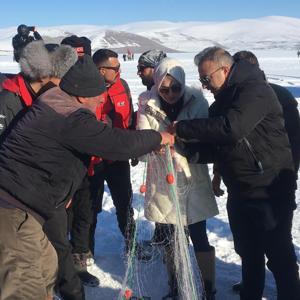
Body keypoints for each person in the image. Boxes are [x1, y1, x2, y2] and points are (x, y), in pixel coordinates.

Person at [0, 55, 174, 300]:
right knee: (24, 286)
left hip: (31, 207)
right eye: (98, 97)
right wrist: (159, 138)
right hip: (14, 214)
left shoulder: (53, 99)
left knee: (47, 269)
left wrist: (62, 194)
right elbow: (117, 144)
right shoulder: (70, 116)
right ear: (82, 96)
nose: (101, 100)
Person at [169, 46, 300, 300]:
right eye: (201, 80)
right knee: (248, 254)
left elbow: (232, 129)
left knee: (279, 256)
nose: (204, 85)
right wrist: (181, 147)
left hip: (269, 190)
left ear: (225, 70)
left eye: (206, 78)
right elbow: (217, 148)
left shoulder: (256, 90)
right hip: (240, 190)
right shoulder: (221, 104)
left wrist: (182, 128)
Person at [211, 50, 300, 294]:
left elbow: (293, 142)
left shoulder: (277, 96)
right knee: (249, 250)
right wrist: (218, 173)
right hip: (242, 185)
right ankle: (251, 286)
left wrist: (286, 179)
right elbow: (225, 143)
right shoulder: (228, 101)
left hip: (273, 187)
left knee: (279, 251)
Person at [137, 57, 219, 299]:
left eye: (175, 88)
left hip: (192, 177)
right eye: (164, 88)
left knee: (199, 234)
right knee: (171, 238)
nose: (170, 93)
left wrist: (182, 139)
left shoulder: (198, 102)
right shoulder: (146, 103)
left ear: (183, 85)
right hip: (163, 181)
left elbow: (206, 137)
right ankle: (175, 285)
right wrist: (156, 143)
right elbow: (141, 138)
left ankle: (207, 286)